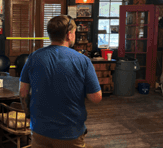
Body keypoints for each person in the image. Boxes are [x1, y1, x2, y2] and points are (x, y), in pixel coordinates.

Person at [19, 15, 102, 147]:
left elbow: (23, 92)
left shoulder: (34, 57)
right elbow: (96, 98)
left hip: (39, 130)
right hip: (70, 133)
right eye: (74, 33)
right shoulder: (83, 60)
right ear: (69, 35)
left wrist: (28, 115)